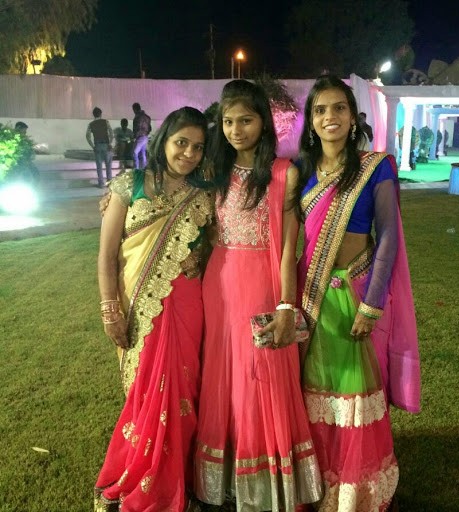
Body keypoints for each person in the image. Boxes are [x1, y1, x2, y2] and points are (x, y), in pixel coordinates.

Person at [194, 80, 322, 511]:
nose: (236, 130)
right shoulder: (213, 173)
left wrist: (286, 304)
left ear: (263, 123)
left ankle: (268, 482)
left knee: (260, 376)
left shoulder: (284, 173)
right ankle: (226, 479)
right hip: (218, 285)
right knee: (222, 376)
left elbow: (287, 248)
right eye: (228, 121)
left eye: (245, 120)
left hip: (262, 284)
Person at [296, 75, 421, 511]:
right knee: (315, 391)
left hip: (355, 292)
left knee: (354, 392)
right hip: (311, 298)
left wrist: (371, 304)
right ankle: (320, 482)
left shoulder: (375, 166)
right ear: (311, 121)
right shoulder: (299, 171)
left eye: (339, 108)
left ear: (353, 117)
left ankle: (356, 490)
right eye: (320, 110)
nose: (329, 117)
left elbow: (387, 236)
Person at [94, 107, 215, 512]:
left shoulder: (204, 194)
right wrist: (110, 310)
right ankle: (141, 473)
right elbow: (107, 255)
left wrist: (198, 259)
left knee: (184, 390)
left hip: (188, 305)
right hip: (139, 305)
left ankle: (176, 476)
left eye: (198, 147)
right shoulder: (128, 184)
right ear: (163, 140)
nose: (189, 154)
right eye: (182, 143)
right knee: (147, 390)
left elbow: (214, 245)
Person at [86, 107, 114, 187]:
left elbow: (87, 137)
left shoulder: (91, 124)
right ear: (101, 114)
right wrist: (110, 143)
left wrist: (93, 146)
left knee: (99, 167)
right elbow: (111, 133)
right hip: (106, 145)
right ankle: (109, 183)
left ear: (93, 115)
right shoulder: (106, 122)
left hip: (97, 146)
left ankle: (101, 183)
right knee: (108, 166)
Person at [132, 102, 152, 169]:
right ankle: (144, 169)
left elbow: (137, 127)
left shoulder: (138, 117)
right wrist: (146, 133)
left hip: (140, 136)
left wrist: (134, 136)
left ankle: (136, 169)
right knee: (143, 153)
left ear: (135, 109)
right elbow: (150, 128)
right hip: (145, 136)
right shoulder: (147, 117)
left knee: (135, 153)